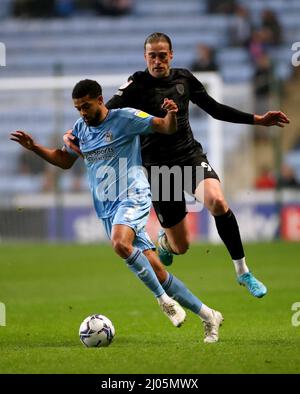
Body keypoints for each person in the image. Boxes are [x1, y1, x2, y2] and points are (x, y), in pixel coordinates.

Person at [64, 33, 290, 299]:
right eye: (152, 56)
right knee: (180, 246)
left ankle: (243, 272)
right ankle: (164, 243)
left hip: (189, 157)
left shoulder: (184, 78)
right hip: (159, 171)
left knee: (217, 202)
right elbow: (104, 113)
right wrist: (74, 133)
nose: (157, 61)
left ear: (171, 55)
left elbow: (215, 109)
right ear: (145, 57)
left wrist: (257, 119)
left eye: (162, 55)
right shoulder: (136, 84)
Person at [11, 79, 224, 343]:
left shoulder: (126, 118)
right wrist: (35, 148)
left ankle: (163, 301)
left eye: (86, 106)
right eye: (78, 108)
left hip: (133, 195)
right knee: (156, 270)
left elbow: (166, 128)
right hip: (107, 209)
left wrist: (171, 114)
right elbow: (65, 161)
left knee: (119, 244)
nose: (82, 113)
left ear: (100, 100)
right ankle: (208, 315)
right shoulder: (81, 128)